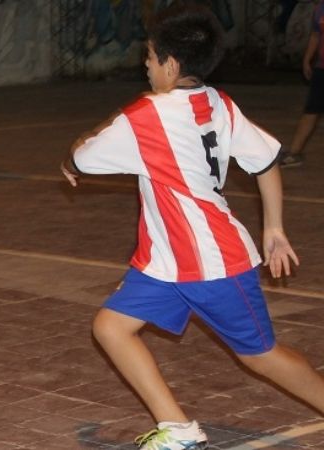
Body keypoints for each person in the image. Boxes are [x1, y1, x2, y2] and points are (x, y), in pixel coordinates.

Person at [60, 5, 324, 450]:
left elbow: (82, 156)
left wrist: (69, 155)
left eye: (149, 55)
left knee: (261, 356)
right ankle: (178, 430)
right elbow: (265, 162)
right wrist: (273, 227)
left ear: (171, 64)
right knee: (110, 327)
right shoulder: (218, 102)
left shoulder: (148, 115)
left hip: (212, 263)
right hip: (167, 262)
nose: (145, 64)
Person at [281, 0, 324, 168]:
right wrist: (307, 59)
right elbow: (315, 35)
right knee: (311, 110)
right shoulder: (320, 8)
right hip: (322, 68)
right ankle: (294, 152)